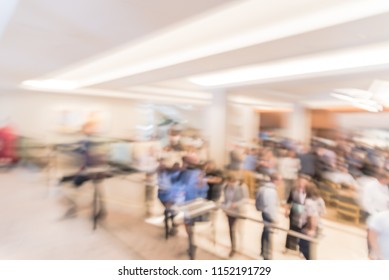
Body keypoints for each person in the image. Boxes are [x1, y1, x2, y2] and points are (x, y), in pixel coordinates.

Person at [222, 173, 248, 257]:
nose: (229, 184)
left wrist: (236, 204)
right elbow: (226, 199)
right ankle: (233, 248)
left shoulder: (242, 187)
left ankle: (241, 247)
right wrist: (224, 206)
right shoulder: (226, 187)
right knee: (231, 230)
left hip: (240, 211)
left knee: (239, 230)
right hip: (230, 212)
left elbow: (245, 199)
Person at [256, 173, 280, 260]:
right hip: (268, 214)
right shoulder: (270, 191)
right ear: (275, 180)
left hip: (264, 212)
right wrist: (274, 219)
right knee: (268, 234)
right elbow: (270, 206)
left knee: (265, 232)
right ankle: (267, 255)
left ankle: (263, 251)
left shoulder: (264, 188)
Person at [283, 175, 309, 254]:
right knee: (291, 230)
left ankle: (301, 250)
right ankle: (288, 247)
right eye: (300, 182)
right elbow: (289, 201)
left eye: (303, 182)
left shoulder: (308, 192)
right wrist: (286, 211)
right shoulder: (294, 190)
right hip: (294, 213)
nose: (301, 183)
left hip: (304, 214)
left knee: (302, 232)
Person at [299, 185, 325, 260]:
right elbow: (322, 213)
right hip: (317, 225)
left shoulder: (309, 202)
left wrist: (311, 229)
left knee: (305, 248)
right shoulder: (320, 200)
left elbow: (312, 216)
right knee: (311, 250)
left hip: (309, 226)